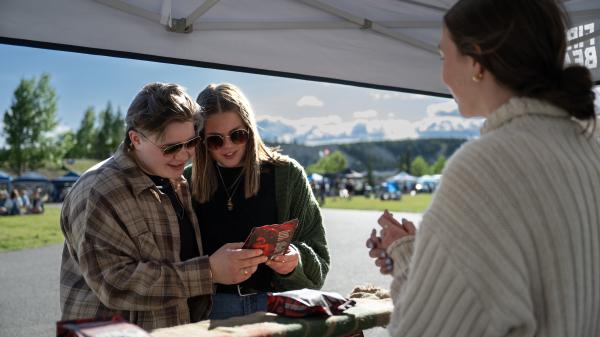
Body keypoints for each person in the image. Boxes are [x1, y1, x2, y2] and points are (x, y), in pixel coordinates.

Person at [367, 0, 599, 336]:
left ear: (476, 60)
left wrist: (405, 256)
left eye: (443, 57)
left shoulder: (485, 169)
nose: (442, 74)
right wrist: (431, 255)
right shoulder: (590, 147)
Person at [60, 83, 268, 330]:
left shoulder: (174, 179)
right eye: (170, 147)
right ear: (135, 139)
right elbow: (115, 284)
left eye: (191, 143)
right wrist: (209, 271)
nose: (184, 155)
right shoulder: (99, 190)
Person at [185, 83, 330, 320]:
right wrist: (210, 268)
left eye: (237, 135)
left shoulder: (287, 175)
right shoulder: (186, 181)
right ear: (200, 140)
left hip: (275, 308)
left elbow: (319, 257)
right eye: (215, 140)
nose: (228, 145)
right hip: (208, 312)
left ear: (250, 130)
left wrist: (294, 263)